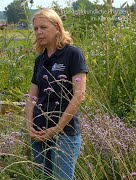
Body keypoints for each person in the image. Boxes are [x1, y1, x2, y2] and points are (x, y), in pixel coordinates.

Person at [25, 8, 88, 180]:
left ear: (57, 28)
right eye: (36, 28)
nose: (39, 32)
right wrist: (29, 125)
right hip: (38, 133)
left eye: (43, 27)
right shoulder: (40, 59)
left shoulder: (73, 54)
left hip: (65, 134)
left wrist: (57, 128)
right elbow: (31, 97)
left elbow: (79, 94)